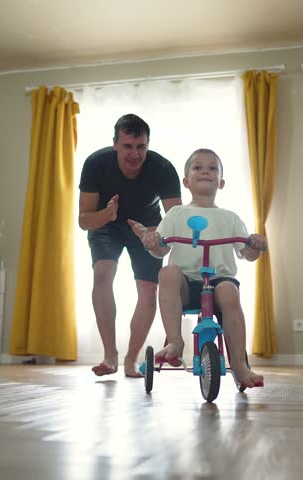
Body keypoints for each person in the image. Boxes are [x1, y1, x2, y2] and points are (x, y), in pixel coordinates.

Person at [129, 148, 266, 388]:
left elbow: (246, 254)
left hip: (219, 282)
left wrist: (254, 246)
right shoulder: (176, 214)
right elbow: (161, 249)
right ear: (186, 181)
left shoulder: (230, 218)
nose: (205, 171)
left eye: (212, 168)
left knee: (229, 292)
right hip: (186, 284)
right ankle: (175, 341)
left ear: (221, 182)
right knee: (167, 272)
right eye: (198, 167)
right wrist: (152, 242)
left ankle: (241, 365)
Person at [78, 114, 182, 377]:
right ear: (115, 144)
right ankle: (109, 356)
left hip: (147, 227)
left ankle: (130, 360)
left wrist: (153, 234)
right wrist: (107, 215)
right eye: (127, 147)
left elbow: (176, 221)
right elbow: (84, 220)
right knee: (102, 273)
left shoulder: (163, 168)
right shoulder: (95, 164)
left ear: (147, 145)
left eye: (141, 147)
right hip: (105, 223)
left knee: (148, 290)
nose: (135, 154)